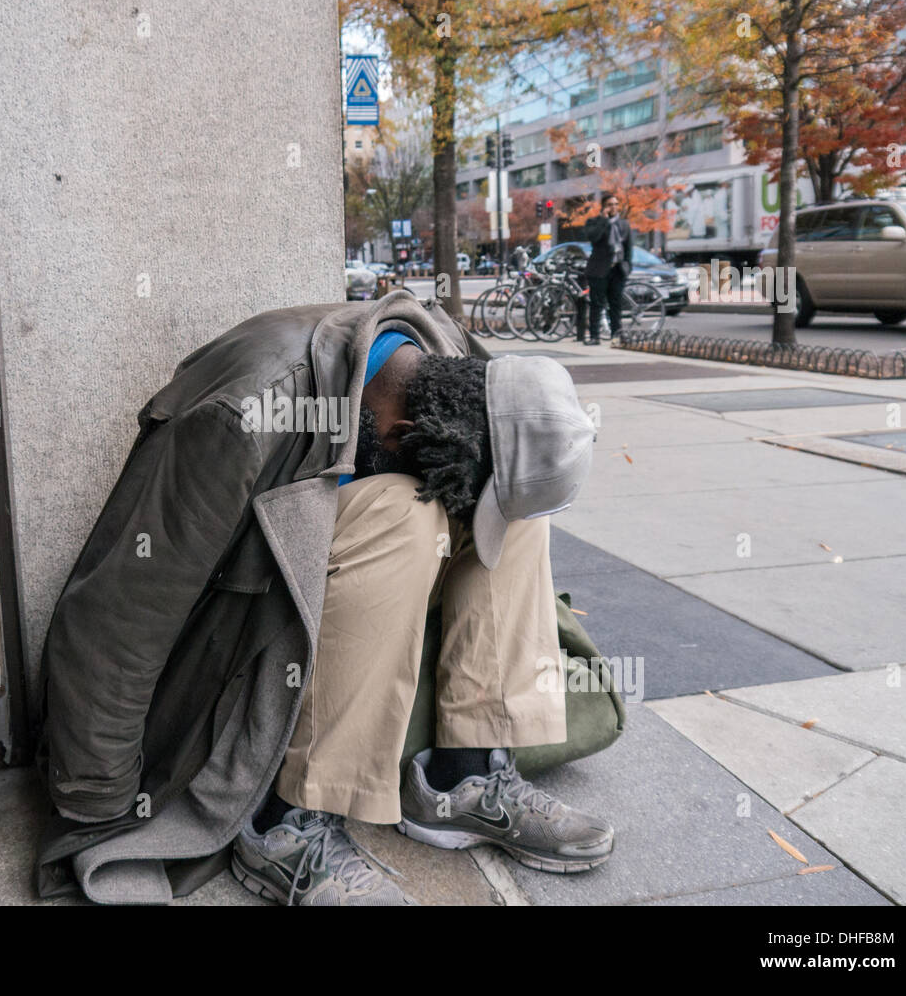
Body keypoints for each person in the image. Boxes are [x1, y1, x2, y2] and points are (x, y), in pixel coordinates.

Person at [35, 293, 613, 906]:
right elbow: (119, 610)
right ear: (405, 433)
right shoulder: (245, 417)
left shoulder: (444, 365)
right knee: (403, 514)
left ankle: (462, 775)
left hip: (339, 594)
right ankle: (285, 822)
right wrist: (96, 799)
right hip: (233, 642)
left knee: (517, 509)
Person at [583, 193, 633, 345]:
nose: (614, 207)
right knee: (597, 305)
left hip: (618, 269)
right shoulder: (594, 222)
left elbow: (628, 248)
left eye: (616, 204)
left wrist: (628, 266)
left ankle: (617, 335)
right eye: (610, 204)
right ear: (604, 207)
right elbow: (594, 238)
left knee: (616, 304)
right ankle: (594, 336)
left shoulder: (624, 224)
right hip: (599, 270)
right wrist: (604, 220)